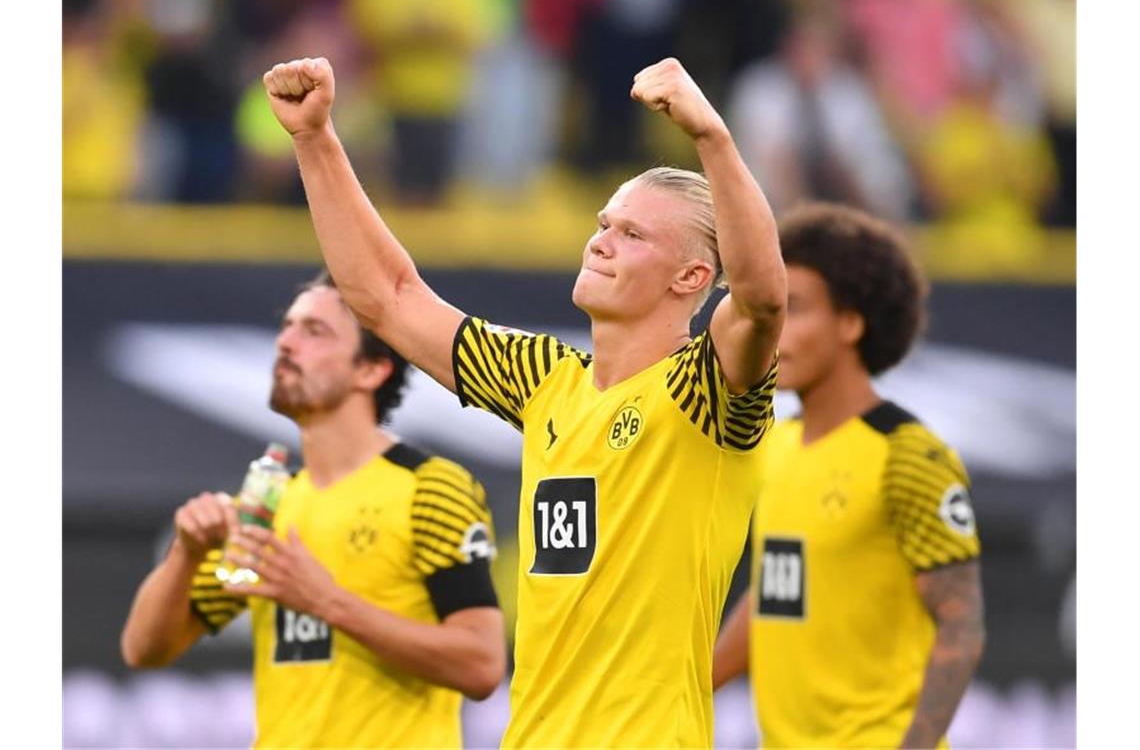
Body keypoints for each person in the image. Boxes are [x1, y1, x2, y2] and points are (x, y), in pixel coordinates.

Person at [261, 56, 785, 747]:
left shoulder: (705, 394)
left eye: (632, 234)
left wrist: (712, 137)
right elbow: (387, 299)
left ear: (691, 276)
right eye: (604, 222)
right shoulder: (546, 380)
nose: (600, 241)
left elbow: (762, 300)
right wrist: (315, 139)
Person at [120, 271, 506, 748]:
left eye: (314, 331)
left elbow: (481, 663)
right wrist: (187, 554)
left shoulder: (430, 487)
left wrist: (327, 601)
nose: (285, 342)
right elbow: (144, 649)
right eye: (287, 326)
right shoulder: (268, 501)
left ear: (371, 369)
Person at [712, 202, 985, 749]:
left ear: (851, 323)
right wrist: (685, 687)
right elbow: (776, 591)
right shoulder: (774, 444)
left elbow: (962, 625)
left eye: (796, 308)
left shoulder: (907, 455)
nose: (775, 327)